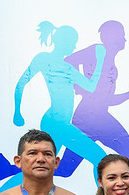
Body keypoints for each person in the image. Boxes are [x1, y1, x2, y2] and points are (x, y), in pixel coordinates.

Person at [62, 20, 129, 195]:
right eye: (121, 34)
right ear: (110, 36)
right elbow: (69, 61)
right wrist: (80, 85)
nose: (124, 38)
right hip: (88, 117)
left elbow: (107, 100)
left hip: (98, 116)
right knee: (65, 169)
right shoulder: (97, 50)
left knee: (64, 169)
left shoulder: (111, 63)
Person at [13, 22, 106, 184]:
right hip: (56, 123)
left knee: (41, 168)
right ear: (62, 41)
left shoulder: (68, 68)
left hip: (58, 122)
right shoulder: (43, 59)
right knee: (99, 157)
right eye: (73, 42)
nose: (75, 46)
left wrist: (100, 61)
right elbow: (22, 83)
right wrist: (17, 111)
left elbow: (90, 87)